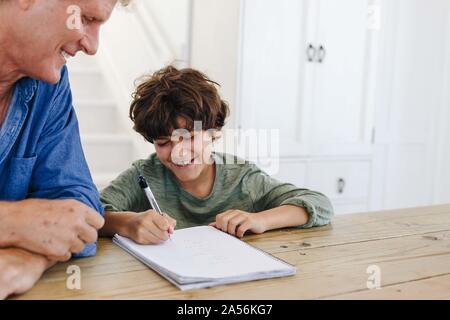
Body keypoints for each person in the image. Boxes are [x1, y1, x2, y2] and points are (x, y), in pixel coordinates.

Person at [99, 66, 334, 245]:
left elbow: (320, 205)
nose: (179, 153)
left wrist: (260, 220)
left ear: (213, 132)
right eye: (163, 143)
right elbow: (91, 212)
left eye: (189, 137)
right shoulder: (144, 175)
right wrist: (128, 223)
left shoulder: (242, 179)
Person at [0, 0, 129, 300]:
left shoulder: (49, 86)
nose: (93, 46)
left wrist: (29, 259)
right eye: (84, 18)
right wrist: (13, 224)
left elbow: (79, 207)